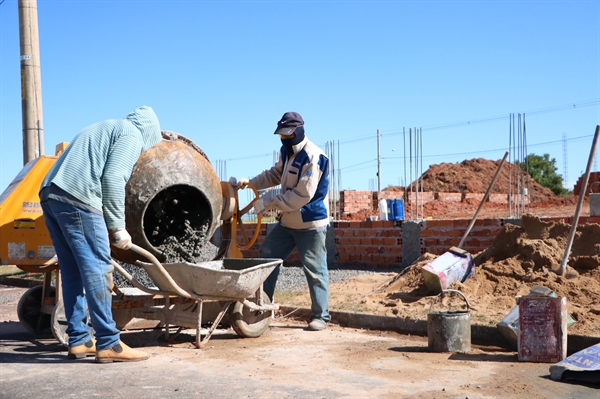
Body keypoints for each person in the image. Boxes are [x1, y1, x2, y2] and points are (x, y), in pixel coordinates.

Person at [39, 105, 162, 363]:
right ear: (150, 133)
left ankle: (80, 340)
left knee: (72, 270)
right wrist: (118, 227)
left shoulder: (108, 127)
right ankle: (109, 342)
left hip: (51, 194)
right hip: (79, 197)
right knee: (98, 269)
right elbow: (114, 177)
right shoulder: (132, 134)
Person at [230, 111, 331, 331]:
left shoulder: (313, 157)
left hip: (310, 224)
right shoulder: (287, 153)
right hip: (288, 223)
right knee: (267, 258)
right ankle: (263, 308)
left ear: (299, 131)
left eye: (288, 135)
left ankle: (321, 316)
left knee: (314, 269)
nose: (284, 139)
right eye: (281, 136)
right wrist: (251, 184)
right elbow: (275, 174)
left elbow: (301, 196)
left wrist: (269, 202)